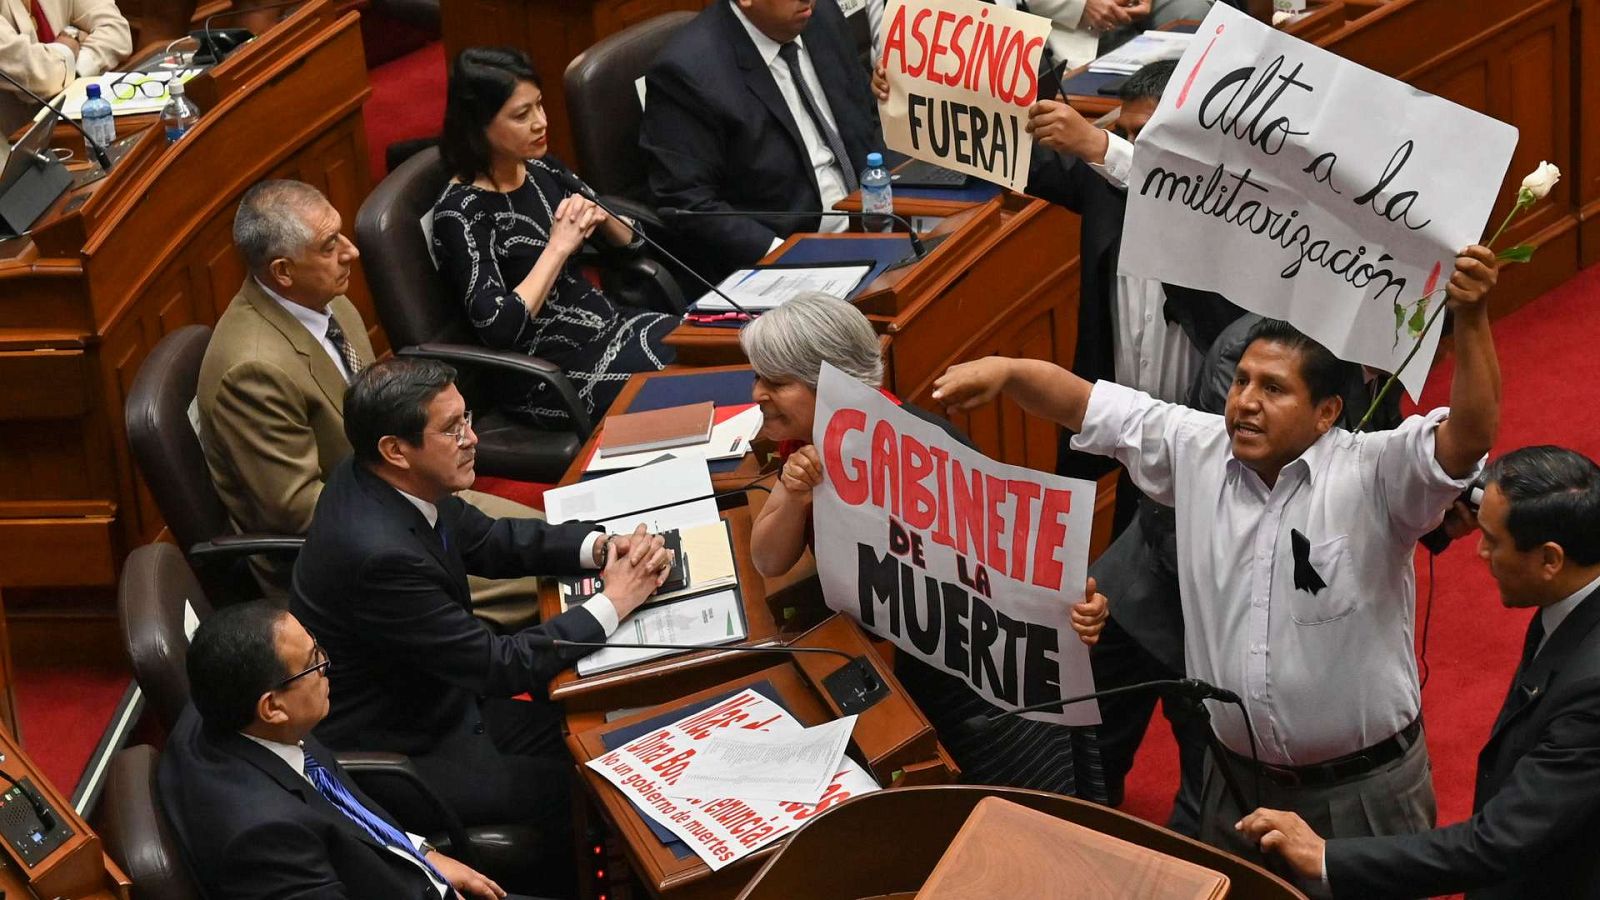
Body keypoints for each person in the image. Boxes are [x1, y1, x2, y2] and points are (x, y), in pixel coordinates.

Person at [930, 244, 1501, 870]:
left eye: (1274, 389)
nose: (1244, 402)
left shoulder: (1374, 471)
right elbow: (1080, 402)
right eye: (1241, 381)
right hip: (1233, 787)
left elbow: (1468, 436)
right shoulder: (1196, 448)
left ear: (1327, 414)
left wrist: (1471, 320)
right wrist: (1010, 371)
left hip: (1359, 797)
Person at [290, 357, 672, 895]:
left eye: (467, 418)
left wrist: (601, 547)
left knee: (602, 735)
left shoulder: (387, 480)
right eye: (452, 429)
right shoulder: (377, 553)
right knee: (593, 783)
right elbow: (498, 665)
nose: (473, 438)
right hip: (407, 746)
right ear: (395, 450)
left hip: (443, 700)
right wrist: (614, 602)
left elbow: (489, 540)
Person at [740, 291, 1111, 796]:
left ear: (830, 383)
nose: (757, 392)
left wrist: (1076, 606)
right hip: (918, 655)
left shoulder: (931, 453)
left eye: (775, 381)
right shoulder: (805, 441)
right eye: (759, 375)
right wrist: (793, 489)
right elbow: (767, 558)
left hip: (986, 682)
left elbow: (1025, 573)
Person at [1239, 445, 1600, 899]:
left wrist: (1325, 856)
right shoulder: (1576, 591)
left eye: (1494, 539)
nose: (1481, 552)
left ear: (1551, 559)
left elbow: (1498, 841)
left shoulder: (1591, 692)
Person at [198, 179, 543, 629]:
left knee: (552, 542)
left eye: (340, 234)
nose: (351, 252)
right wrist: (416, 496)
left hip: (403, 492)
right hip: (354, 556)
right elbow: (302, 512)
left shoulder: (328, 303)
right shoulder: (253, 370)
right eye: (328, 245)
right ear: (282, 271)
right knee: (545, 582)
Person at [158, 602, 514, 899]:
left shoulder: (222, 707)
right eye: (313, 662)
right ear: (272, 708)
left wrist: (421, 854)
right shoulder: (267, 837)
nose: (327, 667)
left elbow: (348, 809)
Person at [431, 47, 674, 429]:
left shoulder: (543, 169)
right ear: (479, 125)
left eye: (539, 106)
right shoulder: (461, 213)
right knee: (678, 386)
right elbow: (497, 326)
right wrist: (558, 247)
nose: (541, 122)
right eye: (521, 115)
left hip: (608, 326)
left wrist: (605, 219)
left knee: (707, 348)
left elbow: (637, 246)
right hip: (546, 374)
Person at [640, 0, 882, 280]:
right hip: (795, 257)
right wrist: (785, 257)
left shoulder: (820, 15)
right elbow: (688, 204)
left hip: (877, 219)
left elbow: (863, 114)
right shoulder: (687, 72)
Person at [0, 0, 129, 133]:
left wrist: (75, 70)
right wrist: (74, 40)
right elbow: (40, 74)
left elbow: (118, 32)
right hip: (13, 138)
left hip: (72, 123)